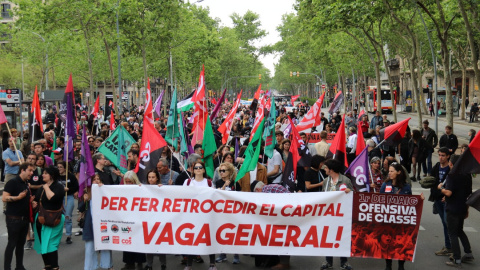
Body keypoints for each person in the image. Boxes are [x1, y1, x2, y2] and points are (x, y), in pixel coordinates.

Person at [437, 155, 474, 268]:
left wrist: (440, 188)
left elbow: (449, 192)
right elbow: (468, 194)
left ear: (451, 164)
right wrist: (467, 209)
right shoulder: (467, 175)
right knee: (459, 231)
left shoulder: (452, 175)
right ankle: (468, 253)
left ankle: (457, 259)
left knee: (452, 233)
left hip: (452, 208)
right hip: (462, 207)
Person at [183, 161, 217, 270]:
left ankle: (212, 264)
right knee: (191, 239)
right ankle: (189, 265)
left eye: (200, 167)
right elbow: (181, 196)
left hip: (206, 215)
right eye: (196, 167)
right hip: (192, 216)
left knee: (208, 238)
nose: (198, 169)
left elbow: (214, 197)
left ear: (203, 170)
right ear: (193, 170)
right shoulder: (187, 182)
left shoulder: (209, 183)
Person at [321, 159, 353, 270]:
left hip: (342, 215)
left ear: (331, 169)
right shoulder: (326, 181)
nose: (324, 169)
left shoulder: (345, 180)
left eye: (326, 168)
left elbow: (353, 196)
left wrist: (349, 192)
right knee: (328, 237)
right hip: (329, 215)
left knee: (342, 237)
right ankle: (328, 261)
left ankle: (344, 262)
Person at [379, 162, 412, 270]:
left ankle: (401, 266)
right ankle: (388, 265)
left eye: (392, 171)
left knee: (401, 243)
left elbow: (411, 202)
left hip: (401, 221)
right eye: (389, 171)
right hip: (388, 220)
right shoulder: (386, 185)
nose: (390, 173)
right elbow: (379, 200)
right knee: (388, 244)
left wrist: (419, 200)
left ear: (398, 172)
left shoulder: (406, 186)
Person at [32, 166, 66, 270]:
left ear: (51, 175)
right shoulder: (42, 187)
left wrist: (46, 187)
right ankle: (47, 265)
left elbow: (52, 198)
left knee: (51, 243)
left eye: (45, 173)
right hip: (41, 218)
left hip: (54, 219)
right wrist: (33, 202)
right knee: (43, 243)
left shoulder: (59, 186)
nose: (43, 175)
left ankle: (55, 266)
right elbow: (37, 200)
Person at [3, 162, 35, 270]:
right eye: (30, 170)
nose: (31, 173)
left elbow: (24, 198)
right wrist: (18, 197)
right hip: (14, 219)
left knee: (20, 245)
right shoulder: (12, 182)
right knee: (12, 244)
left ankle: (19, 266)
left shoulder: (26, 183)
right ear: (22, 170)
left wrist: (30, 202)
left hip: (24, 218)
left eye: (32, 171)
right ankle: (7, 267)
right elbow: (4, 198)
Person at [82, 173, 114, 270]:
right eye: (94, 179)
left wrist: (103, 191)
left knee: (105, 246)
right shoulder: (86, 193)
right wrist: (85, 200)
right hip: (90, 225)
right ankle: (89, 267)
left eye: (98, 179)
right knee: (89, 249)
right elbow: (81, 208)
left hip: (103, 225)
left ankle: (107, 265)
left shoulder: (104, 191)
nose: (96, 181)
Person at [215, 162, 240, 264]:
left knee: (235, 233)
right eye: (220, 171)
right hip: (222, 212)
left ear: (230, 172)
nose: (221, 173)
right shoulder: (218, 183)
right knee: (223, 234)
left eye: (224, 171)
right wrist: (225, 186)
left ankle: (236, 254)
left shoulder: (236, 183)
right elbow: (218, 195)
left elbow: (239, 197)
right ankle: (222, 254)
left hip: (234, 212)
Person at [121, 171, 146, 270]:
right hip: (127, 218)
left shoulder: (141, 188)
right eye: (126, 182)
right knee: (127, 240)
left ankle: (139, 262)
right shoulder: (122, 190)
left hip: (138, 218)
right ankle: (129, 262)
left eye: (130, 182)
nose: (128, 184)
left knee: (138, 240)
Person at [430, 147, 453, 256]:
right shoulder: (437, 167)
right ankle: (449, 246)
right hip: (438, 199)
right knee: (445, 224)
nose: (440, 157)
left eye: (443, 155)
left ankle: (452, 247)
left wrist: (447, 196)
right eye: (439, 155)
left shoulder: (451, 168)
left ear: (448, 156)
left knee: (449, 224)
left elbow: (455, 185)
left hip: (447, 200)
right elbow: (432, 181)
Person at [144, 169, 167, 270]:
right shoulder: (143, 189)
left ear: (157, 178)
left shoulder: (162, 188)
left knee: (160, 245)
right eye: (149, 177)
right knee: (149, 244)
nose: (151, 179)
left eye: (153, 177)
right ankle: (149, 265)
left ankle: (163, 264)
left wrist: (164, 189)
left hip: (159, 220)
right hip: (148, 220)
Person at [57, 161, 79, 245]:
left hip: (68, 197)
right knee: (58, 218)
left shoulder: (71, 176)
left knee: (67, 216)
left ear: (65, 168)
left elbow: (75, 186)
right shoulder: (56, 176)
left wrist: (68, 189)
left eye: (61, 167)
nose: (59, 169)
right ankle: (57, 236)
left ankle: (68, 235)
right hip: (58, 197)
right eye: (58, 167)